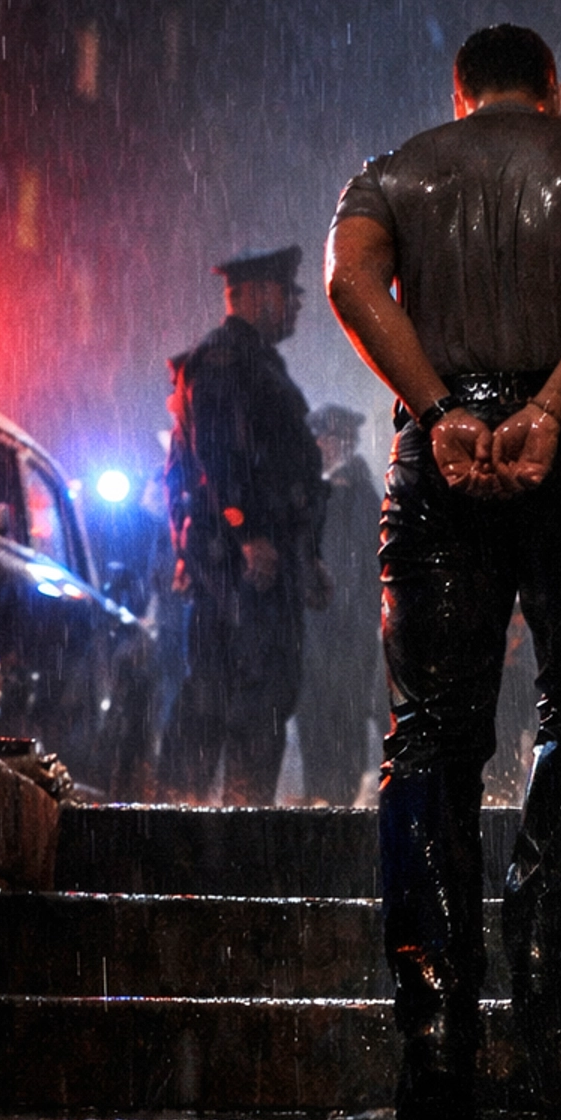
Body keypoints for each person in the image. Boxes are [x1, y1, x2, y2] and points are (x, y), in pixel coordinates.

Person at [326, 22, 561, 1120]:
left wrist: (438, 408)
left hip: (438, 461)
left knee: (429, 733)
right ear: (552, 88)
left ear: (462, 93)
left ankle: (435, 1022)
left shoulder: (390, 173)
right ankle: (546, 949)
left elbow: (351, 285)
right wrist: (555, 407)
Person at [160, 245, 330, 806]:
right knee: (240, 690)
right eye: (288, 292)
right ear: (257, 293)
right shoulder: (224, 361)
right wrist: (248, 531)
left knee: (250, 689)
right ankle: (205, 818)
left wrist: (308, 554)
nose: (297, 304)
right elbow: (214, 457)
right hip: (241, 563)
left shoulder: (252, 361)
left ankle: (217, 816)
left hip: (254, 558)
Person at [297, 402, 385, 805]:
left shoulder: (360, 493)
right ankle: (320, 794)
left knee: (346, 711)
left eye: (338, 438)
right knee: (314, 712)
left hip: (349, 624)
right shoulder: (308, 491)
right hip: (314, 621)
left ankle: (340, 798)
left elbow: (369, 558)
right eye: (325, 437)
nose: (330, 445)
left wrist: (362, 610)